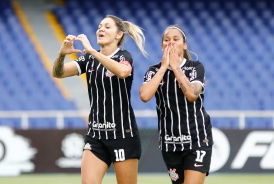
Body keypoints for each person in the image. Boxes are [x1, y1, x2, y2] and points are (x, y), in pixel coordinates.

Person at [52, 15, 147, 184]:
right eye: (99, 26)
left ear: (118, 35)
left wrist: (93, 51)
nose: (100, 29)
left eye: (107, 27)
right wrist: (61, 54)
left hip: (123, 135)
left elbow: (123, 72)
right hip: (96, 136)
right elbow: (58, 73)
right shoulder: (88, 59)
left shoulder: (124, 56)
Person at [139, 25, 213, 184]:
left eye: (175, 39)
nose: (170, 43)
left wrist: (175, 66)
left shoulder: (195, 67)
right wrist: (165, 67)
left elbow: (192, 94)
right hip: (170, 142)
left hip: (196, 139)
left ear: (184, 45)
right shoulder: (154, 71)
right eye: (166, 40)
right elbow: (144, 96)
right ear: (162, 46)